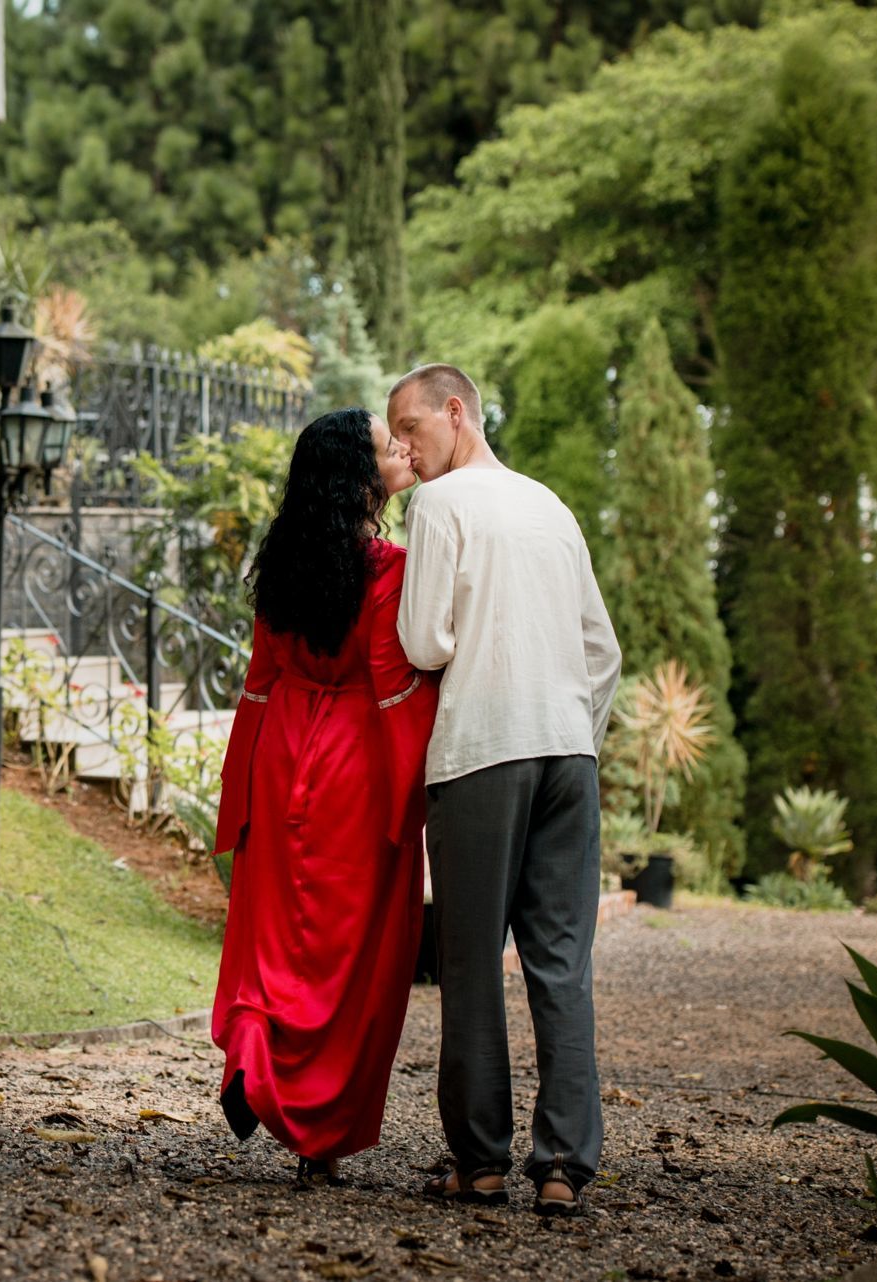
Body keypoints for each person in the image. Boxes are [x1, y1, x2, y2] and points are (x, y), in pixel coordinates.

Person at [390, 364, 621, 1217]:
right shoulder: (552, 507)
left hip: (482, 753)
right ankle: (563, 1165)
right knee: (562, 964)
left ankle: (481, 1162)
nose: (404, 451)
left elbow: (423, 641)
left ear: (457, 413)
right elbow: (604, 652)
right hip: (569, 755)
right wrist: (574, 735)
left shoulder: (441, 508)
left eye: (411, 429)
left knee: (471, 963)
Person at [209, 406, 440, 1184]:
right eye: (388, 446)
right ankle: (319, 1136)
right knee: (348, 948)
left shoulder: (280, 564)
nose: (402, 451)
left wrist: (239, 792)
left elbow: (260, 679)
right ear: (361, 477)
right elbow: (394, 680)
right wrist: (418, 789)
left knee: (274, 930)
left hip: (280, 756)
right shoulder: (389, 568)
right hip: (352, 760)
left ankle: (251, 1053)